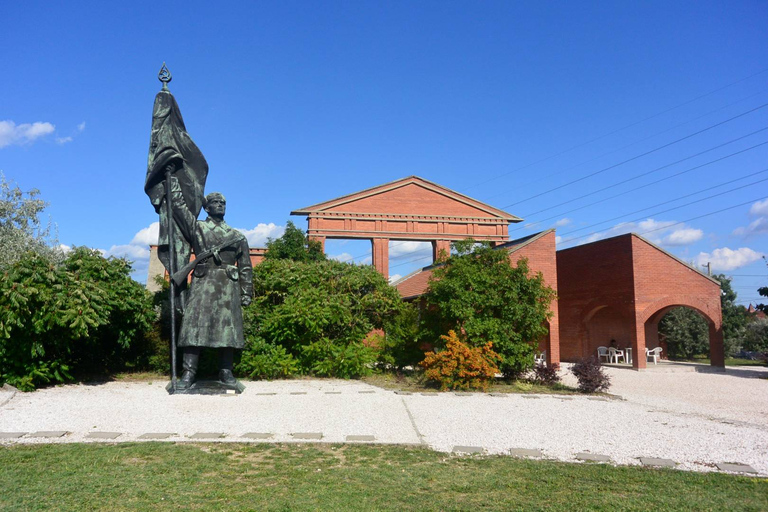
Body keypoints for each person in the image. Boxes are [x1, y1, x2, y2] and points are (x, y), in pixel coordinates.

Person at [167, 164, 253, 388]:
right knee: (193, 328)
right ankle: (188, 374)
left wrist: (246, 292)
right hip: (203, 283)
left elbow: (245, 267)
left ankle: (226, 373)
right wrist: (172, 180)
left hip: (228, 286)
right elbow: (178, 206)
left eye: (223, 203)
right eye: (215, 202)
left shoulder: (237, 236)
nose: (220, 205)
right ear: (206, 208)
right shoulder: (197, 228)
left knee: (228, 332)